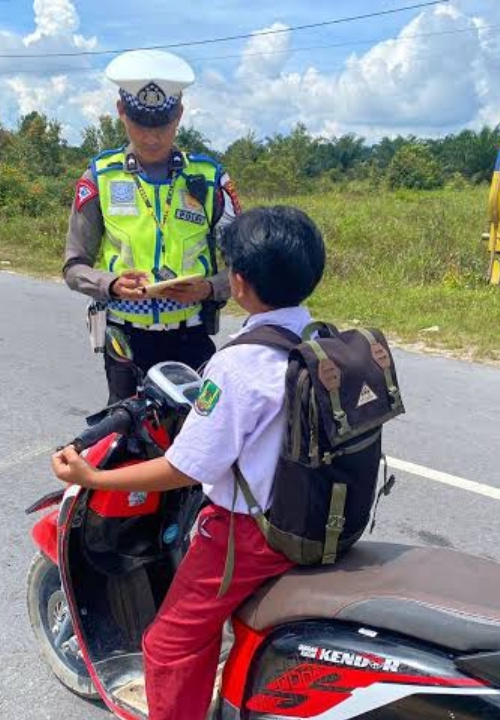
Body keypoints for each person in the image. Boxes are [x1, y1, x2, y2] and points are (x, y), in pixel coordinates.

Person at [52, 206, 327, 720]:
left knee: (168, 645)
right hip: (322, 514)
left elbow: (185, 469)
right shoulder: (320, 340)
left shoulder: (240, 363)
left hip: (248, 537)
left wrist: (92, 476)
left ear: (238, 282)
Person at [62, 49, 244, 403]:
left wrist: (208, 288)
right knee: (126, 441)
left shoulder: (209, 178)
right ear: (120, 112)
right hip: (125, 341)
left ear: (179, 114)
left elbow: (243, 270)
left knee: (201, 446)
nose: (151, 137)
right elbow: (74, 266)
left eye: (162, 125)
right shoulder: (100, 176)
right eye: (140, 124)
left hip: (190, 338)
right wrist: (111, 284)